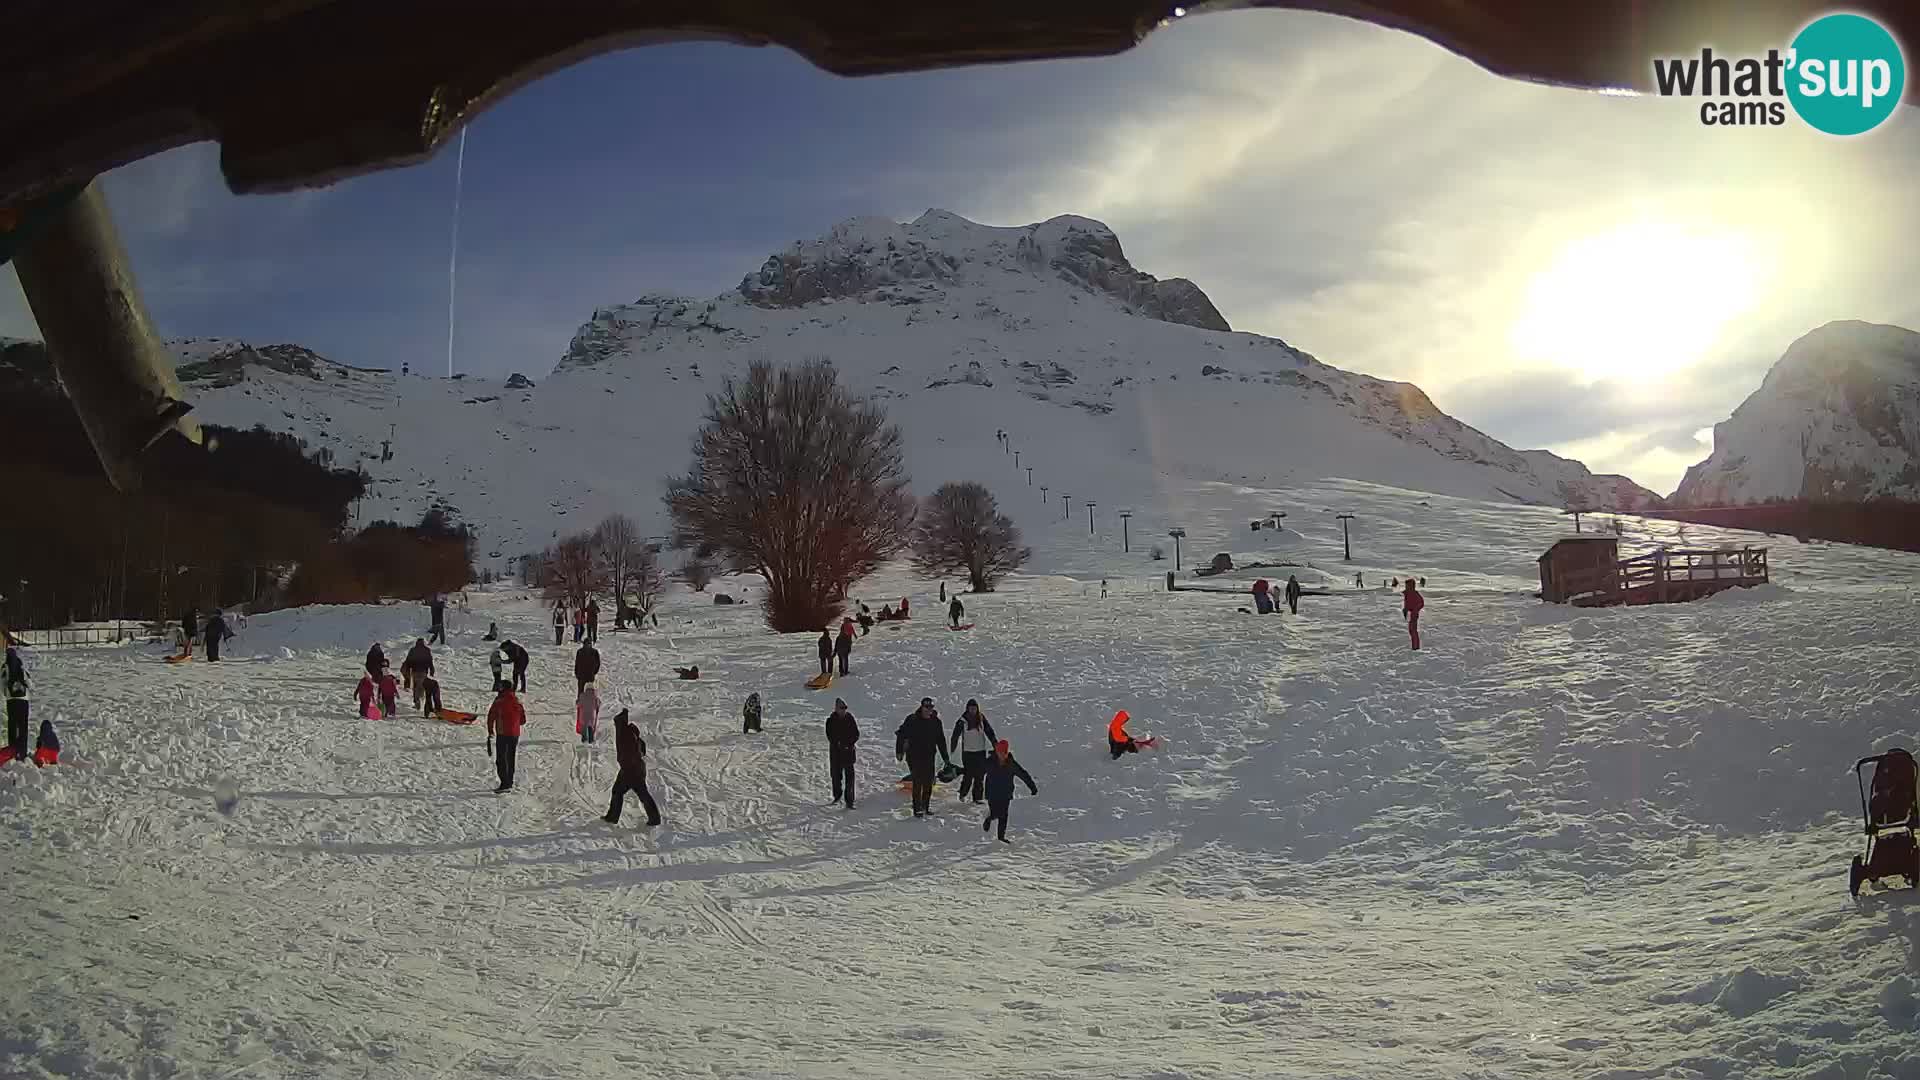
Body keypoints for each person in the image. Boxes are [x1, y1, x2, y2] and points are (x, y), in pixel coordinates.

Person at [895, 698, 952, 817]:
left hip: (929, 755)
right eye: (926, 707)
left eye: (930, 707)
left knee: (928, 782)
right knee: (918, 781)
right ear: (921, 707)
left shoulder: (936, 722)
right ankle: (917, 809)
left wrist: (945, 758)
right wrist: (899, 751)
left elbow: (940, 740)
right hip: (914, 756)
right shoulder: (912, 720)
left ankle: (925, 806)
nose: (928, 710)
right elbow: (901, 734)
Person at [605, 708, 661, 825]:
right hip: (635, 768)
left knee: (619, 792)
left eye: (616, 722)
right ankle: (654, 818)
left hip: (630, 769)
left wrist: (628, 762)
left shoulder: (624, 734)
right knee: (640, 793)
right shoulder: (630, 732)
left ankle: (612, 817)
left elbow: (629, 751)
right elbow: (642, 748)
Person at [981, 739, 1038, 843]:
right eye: (1000, 753)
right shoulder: (990, 762)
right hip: (992, 793)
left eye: (1004, 753)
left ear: (1007, 753)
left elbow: (1023, 774)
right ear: (997, 752)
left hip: (1005, 793)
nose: (1002, 755)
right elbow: (979, 772)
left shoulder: (1011, 764)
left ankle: (1001, 837)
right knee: (995, 812)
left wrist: (1032, 787)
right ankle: (989, 819)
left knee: (1004, 815)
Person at [949, 698, 998, 804]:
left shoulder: (981, 718)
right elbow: (955, 735)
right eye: (970, 708)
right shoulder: (962, 721)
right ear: (967, 709)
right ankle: (963, 793)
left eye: (974, 708)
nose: (972, 710)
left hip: (980, 752)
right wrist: (953, 747)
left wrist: (995, 744)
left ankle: (977, 798)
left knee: (979, 776)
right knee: (969, 775)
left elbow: (989, 732)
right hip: (968, 753)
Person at [486, 681, 525, 792]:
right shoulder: (517, 701)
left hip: (502, 733)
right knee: (510, 758)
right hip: (514, 734)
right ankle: (509, 782)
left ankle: (504, 784)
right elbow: (523, 720)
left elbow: (491, 716)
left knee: (501, 759)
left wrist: (490, 730)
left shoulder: (499, 701)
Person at [826, 698, 859, 809]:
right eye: (841, 708)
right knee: (836, 776)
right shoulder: (831, 720)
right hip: (836, 753)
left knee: (850, 778)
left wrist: (847, 744)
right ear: (836, 708)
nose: (843, 710)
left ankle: (850, 801)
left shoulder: (850, 719)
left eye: (845, 708)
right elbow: (830, 736)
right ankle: (837, 796)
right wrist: (839, 743)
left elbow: (856, 734)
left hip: (848, 753)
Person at [5, 643, 29, 758]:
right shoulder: (22, 667)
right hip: (24, 701)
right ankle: (22, 752)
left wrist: (6, 694)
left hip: (11, 701)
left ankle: (12, 752)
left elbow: (1, 684)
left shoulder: (5, 667)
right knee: (23, 727)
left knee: (12, 727)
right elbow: (30, 683)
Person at [1402, 579, 1425, 651]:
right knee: (1411, 630)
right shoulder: (1407, 594)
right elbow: (1407, 603)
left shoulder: (1415, 594)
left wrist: (1415, 610)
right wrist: (1405, 610)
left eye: (1408, 585)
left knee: (1413, 630)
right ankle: (1414, 646)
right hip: (1409, 613)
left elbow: (1421, 603)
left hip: (1414, 614)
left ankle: (1416, 647)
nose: (1406, 587)